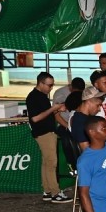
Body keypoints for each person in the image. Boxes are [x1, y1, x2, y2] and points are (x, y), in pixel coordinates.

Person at [26, 72, 72, 203]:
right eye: (49, 85)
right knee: (51, 163)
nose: (51, 88)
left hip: (46, 132)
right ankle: (55, 193)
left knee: (47, 163)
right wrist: (53, 109)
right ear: (41, 83)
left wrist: (57, 109)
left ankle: (47, 191)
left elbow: (44, 114)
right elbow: (35, 118)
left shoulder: (41, 96)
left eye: (52, 85)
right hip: (44, 133)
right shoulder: (33, 97)